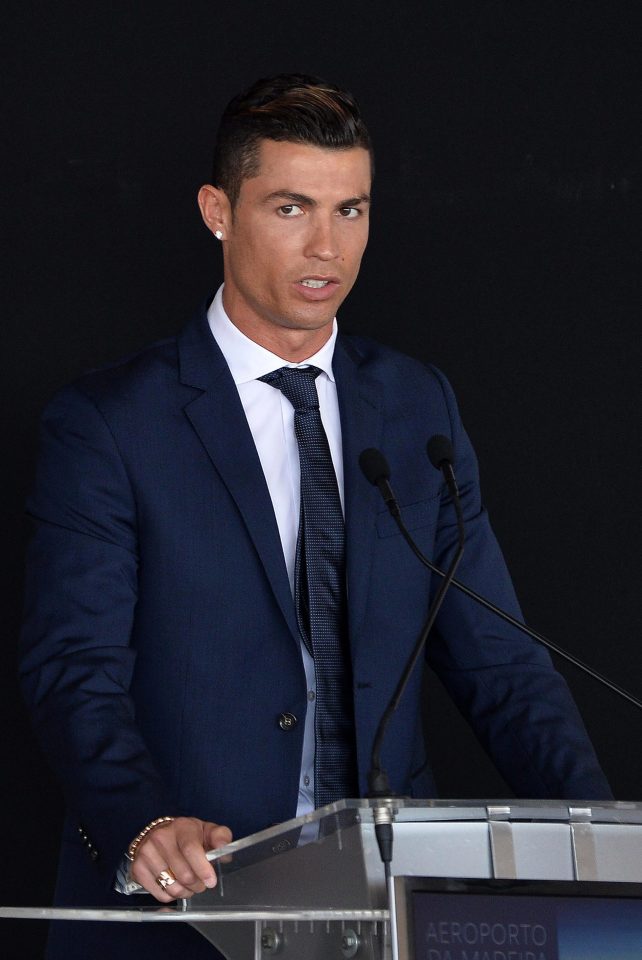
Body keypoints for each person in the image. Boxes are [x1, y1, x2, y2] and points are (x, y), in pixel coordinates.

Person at [20, 74, 611, 960]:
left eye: (352, 210)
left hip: (394, 903)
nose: (327, 246)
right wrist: (142, 823)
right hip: (191, 902)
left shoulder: (419, 407)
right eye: (292, 207)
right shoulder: (108, 423)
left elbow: (501, 662)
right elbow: (75, 670)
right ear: (217, 209)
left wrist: (600, 840)